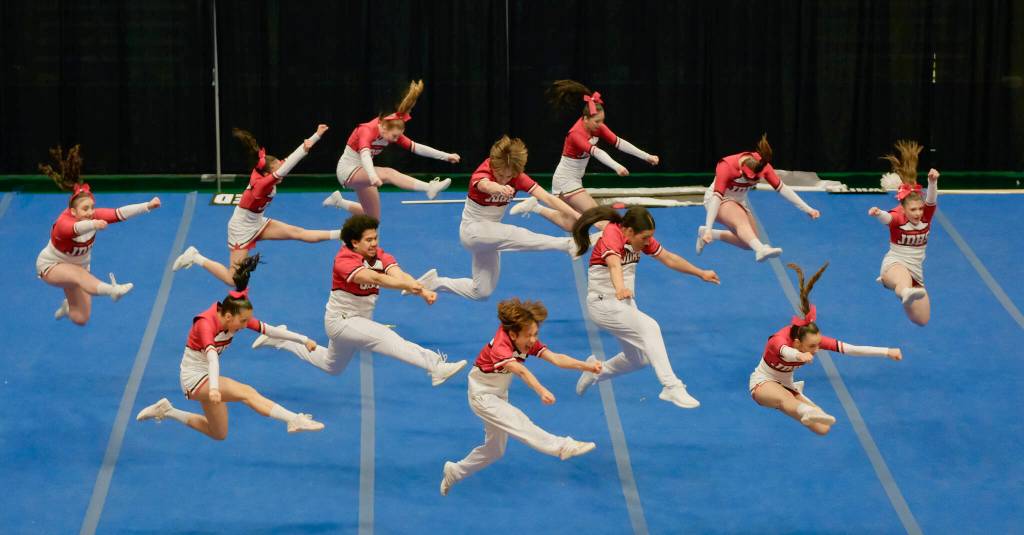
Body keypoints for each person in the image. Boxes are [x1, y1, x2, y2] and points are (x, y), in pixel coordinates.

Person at [250, 215, 468, 386]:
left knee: (331, 365)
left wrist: (420, 291)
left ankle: (281, 339)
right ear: (354, 243)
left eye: (375, 238)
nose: (374, 243)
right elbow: (373, 277)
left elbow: (399, 274)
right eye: (369, 240)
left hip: (357, 320)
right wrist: (407, 286)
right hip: (342, 321)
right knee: (387, 337)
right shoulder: (343, 261)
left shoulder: (380, 255)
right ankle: (436, 367)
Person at [136, 255, 325, 438]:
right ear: (228, 317)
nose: (245, 325)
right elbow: (212, 359)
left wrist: (303, 339)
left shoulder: (235, 315)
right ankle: (293, 419)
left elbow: (270, 330)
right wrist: (214, 389)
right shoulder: (205, 325)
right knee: (247, 392)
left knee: (218, 433)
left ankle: (167, 411)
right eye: (243, 322)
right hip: (193, 378)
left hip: (209, 378)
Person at [439, 298, 601, 496]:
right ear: (513, 335)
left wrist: (587, 366)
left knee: (495, 450)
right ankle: (563, 446)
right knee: (519, 422)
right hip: (482, 396)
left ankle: (455, 472)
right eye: (529, 335)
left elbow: (557, 358)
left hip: (498, 394)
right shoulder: (501, 347)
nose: (533, 340)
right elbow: (521, 371)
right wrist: (541, 390)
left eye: (536, 334)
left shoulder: (524, 339)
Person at [572, 206, 720, 408]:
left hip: (623, 303)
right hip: (603, 303)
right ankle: (671, 386)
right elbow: (614, 265)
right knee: (650, 327)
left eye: (651, 237)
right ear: (630, 231)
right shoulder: (611, 236)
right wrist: (620, 287)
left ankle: (595, 371)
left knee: (637, 360)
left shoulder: (638, 238)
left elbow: (668, 257)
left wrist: (700, 273)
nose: (648, 242)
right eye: (645, 237)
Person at [412, 136, 581, 301]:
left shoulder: (517, 177)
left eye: (509, 176)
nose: (504, 179)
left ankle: (435, 282)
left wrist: (579, 216)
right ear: (493, 164)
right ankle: (567, 245)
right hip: (473, 232)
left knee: (481, 292)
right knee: (513, 233)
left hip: (491, 236)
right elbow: (485, 184)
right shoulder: (483, 173)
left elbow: (548, 198)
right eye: (500, 174)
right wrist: (498, 188)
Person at [173, 125, 339, 286]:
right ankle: (195, 257)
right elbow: (284, 169)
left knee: (299, 233)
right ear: (268, 174)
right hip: (241, 229)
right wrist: (305, 149)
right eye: (278, 168)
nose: (282, 169)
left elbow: (287, 161)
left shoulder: (264, 172)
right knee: (233, 280)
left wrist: (315, 136)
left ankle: (343, 234)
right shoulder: (262, 185)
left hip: (256, 222)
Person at [750, 262, 902, 435]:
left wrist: (887, 352)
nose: (816, 349)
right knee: (787, 400)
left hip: (786, 385)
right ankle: (800, 409)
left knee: (823, 428)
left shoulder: (811, 340)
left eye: (818, 344)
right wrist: (800, 357)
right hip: (762, 382)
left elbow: (851, 349)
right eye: (812, 346)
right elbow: (785, 351)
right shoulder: (778, 341)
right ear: (798, 342)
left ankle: (795, 407)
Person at [510, 79, 659, 230]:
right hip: (565, 181)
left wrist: (647, 156)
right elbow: (597, 152)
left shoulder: (596, 126)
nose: (600, 125)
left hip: (574, 179)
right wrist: (617, 166)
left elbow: (619, 143)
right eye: (597, 121)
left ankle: (535, 207)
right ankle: (614, 249)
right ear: (585, 119)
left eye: (602, 121)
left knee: (571, 224)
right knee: (599, 217)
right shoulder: (576, 134)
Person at [36, 144, 159, 325]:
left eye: (92, 207)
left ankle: (67, 307)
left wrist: (146, 206)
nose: (90, 211)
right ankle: (112, 290)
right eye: (85, 209)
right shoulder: (62, 224)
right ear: (73, 211)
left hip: (80, 268)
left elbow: (118, 213)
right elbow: (75, 229)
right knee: (78, 275)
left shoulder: (93, 215)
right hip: (53, 266)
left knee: (81, 318)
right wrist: (93, 223)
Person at [322, 80, 458, 218]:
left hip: (365, 172)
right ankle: (429, 187)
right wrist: (373, 175)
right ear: (383, 127)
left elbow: (416, 147)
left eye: (398, 136)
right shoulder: (367, 130)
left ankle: (339, 201)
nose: (395, 139)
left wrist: (446, 156)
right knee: (388, 173)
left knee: (373, 218)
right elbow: (365, 156)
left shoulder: (391, 130)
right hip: (348, 170)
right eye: (394, 136)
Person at [697, 134, 820, 262]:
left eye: (756, 180)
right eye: (750, 180)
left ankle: (706, 233)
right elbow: (717, 197)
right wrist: (709, 227)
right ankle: (761, 249)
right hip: (716, 200)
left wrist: (808, 209)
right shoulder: (726, 166)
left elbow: (783, 188)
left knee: (748, 242)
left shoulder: (763, 166)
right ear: (741, 172)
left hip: (738, 202)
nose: (752, 184)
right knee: (741, 222)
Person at [869, 140, 939, 326]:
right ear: (904, 209)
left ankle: (898, 287)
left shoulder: (926, 216)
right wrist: (878, 213)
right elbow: (888, 219)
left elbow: (931, 200)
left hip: (916, 270)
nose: (917, 213)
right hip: (895, 263)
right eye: (913, 210)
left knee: (922, 320)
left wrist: (932, 182)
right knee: (904, 283)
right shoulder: (899, 217)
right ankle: (897, 286)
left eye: (919, 209)